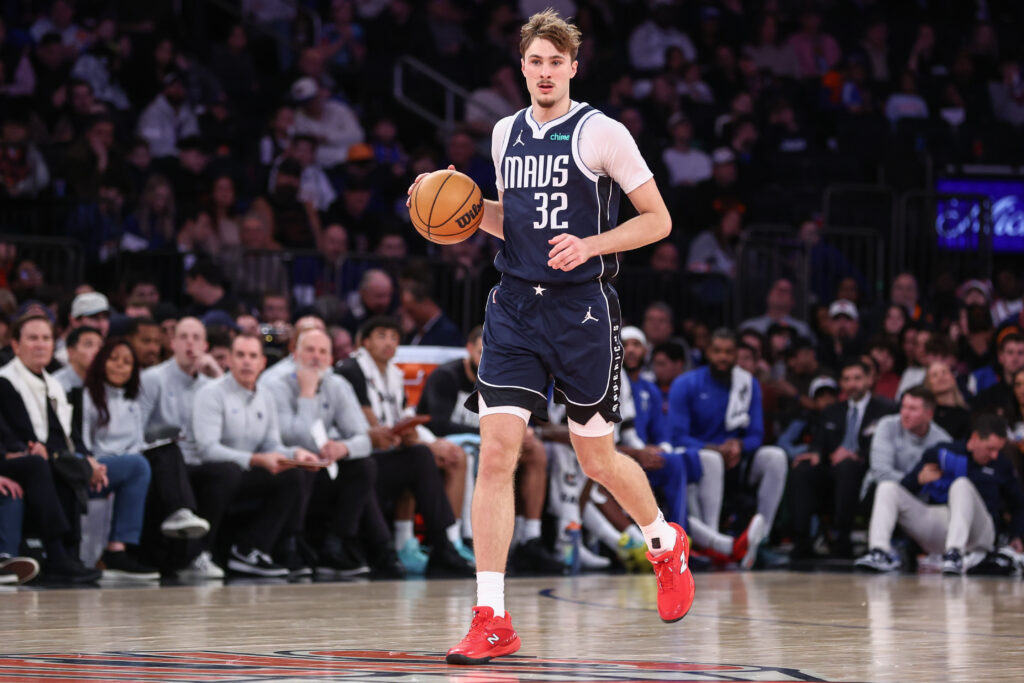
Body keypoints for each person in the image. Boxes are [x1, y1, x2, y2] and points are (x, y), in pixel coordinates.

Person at [408, 10, 689, 665]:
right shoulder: (506, 133)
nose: (543, 71)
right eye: (534, 62)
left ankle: (661, 538)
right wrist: (455, 207)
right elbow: (517, 222)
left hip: (583, 311)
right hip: (513, 307)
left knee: (597, 458)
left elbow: (658, 220)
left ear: (572, 67)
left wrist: (590, 243)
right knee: (498, 451)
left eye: (554, 62)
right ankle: (492, 616)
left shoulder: (602, 132)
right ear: (523, 67)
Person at [336, 316, 475, 577]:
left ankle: (442, 543)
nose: (389, 342)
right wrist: (410, 439)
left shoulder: (394, 374)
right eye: (381, 335)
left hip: (385, 453)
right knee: (419, 456)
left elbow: (402, 417)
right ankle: (403, 545)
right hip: (356, 459)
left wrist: (421, 439)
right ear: (364, 341)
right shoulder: (351, 370)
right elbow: (367, 425)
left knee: (427, 454)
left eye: (394, 337)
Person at [416, 326, 555, 572]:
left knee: (535, 450)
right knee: (467, 454)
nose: (487, 359)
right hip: (445, 442)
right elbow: (437, 422)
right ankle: (457, 539)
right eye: (482, 352)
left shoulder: (505, 379)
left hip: (490, 445)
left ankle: (528, 539)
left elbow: (523, 419)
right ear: (469, 349)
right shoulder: (446, 376)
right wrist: (494, 434)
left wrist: (522, 432)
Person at [268, 328, 404, 579]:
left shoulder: (338, 385)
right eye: (309, 350)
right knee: (304, 464)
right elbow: (295, 439)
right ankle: (291, 543)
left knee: (364, 465)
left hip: (325, 470)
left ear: (331, 359)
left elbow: (364, 438)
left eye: (323, 352)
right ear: (295, 354)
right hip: (290, 470)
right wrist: (307, 394)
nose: (316, 358)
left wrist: (343, 448)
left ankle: (337, 545)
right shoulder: (276, 387)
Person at [191, 334, 322, 577]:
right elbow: (207, 449)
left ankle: (250, 549)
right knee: (227, 472)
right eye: (240, 355)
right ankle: (199, 553)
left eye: (253, 356)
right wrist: (256, 460)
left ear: (262, 362)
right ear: (229, 359)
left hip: (243, 475)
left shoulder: (265, 396)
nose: (246, 362)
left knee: (293, 475)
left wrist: (296, 453)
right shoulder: (211, 393)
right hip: (206, 474)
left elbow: (272, 443)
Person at [666, 329, 784, 565]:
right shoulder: (685, 383)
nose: (723, 357)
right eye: (717, 351)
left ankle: (761, 540)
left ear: (736, 355)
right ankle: (712, 542)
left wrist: (738, 445)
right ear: (708, 352)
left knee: (776, 456)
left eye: (729, 352)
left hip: (736, 461)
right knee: (712, 459)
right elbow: (677, 436)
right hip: (698, 462)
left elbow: (756, 435)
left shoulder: (747, 384)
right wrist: (716, 448)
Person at [861, 414, 1024, 574]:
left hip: (980, 531)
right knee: (888, 488)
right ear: (975, 438)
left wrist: (1016, 535)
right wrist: (917, 480)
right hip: (942, 525)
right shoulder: (944, 452)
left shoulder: (1001, 465)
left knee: (961, 485)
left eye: (998, 450)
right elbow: (907, 486)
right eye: (990, 448)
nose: (994, 455)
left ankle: (954, 554)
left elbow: (1018, 504)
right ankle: (879, 551)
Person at [139, 317, 229, 580]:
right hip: (161, 461)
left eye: (196, 338)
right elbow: (138, 429)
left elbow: (228, 429)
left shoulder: (210, 385)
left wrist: (219, 377)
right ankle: (187, 540)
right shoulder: (153, 379)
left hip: (198, 460)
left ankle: (201, 553)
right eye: (184, 337)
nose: (190, 343)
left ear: (205, 345)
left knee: (227, 473)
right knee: (171, 451)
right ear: (172, 343)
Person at [789, 359, 896, 559]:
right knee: (802, 469)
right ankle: (801, 539)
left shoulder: (885, 410)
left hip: (866, 469)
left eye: (857, 378)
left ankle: (842, 537)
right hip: (832, 468)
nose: (852, 384)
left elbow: (888, 445)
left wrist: (857, 454)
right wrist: (815, 453)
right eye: (847, 379)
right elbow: (819, 443)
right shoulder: (832, 411)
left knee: (847, 466)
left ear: (869, 380)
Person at [52, 325, 102, 392]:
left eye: (100, 346)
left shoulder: (106, 382)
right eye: (89, 345)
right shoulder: (55, 384)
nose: (97, 351)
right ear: (71, 352)